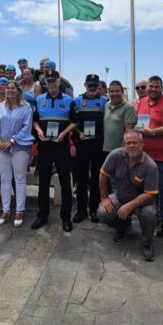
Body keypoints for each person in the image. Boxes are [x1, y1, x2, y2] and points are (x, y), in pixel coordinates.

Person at [97, 131, 158, 262]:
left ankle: (147, 244)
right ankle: (123, 227)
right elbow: (103, 175)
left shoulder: (150, 166)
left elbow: (150, 194)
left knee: (150, 214)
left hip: (143, 204)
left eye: (135, 142)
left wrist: (130, 206)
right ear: (124, 144)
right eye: (128, 143)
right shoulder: (115, 155)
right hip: (120, 197)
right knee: (102, 212)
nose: (131, 146)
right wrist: (104, 197)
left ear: (142, 144)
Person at [135, 76, 163, 237]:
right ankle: (152, 218)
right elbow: (138, 124)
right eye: (151, 86)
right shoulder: (142, 102)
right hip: (145, 155)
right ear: (147, 87)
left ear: (162, 88)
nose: (153, 89)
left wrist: (154, 132)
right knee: (148, 189)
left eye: (157, 87)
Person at [32, 70, 77, 231]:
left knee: (65, 182)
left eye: (54, 81)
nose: (51, 84)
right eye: (48, 81)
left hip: (61, 146)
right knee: (43, 182)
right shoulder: (39, 99)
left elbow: (75, 122)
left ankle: (66, 217)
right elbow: (35, 121)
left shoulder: (68, 100)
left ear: (59, 82)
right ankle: (42, 215)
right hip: (44, 146)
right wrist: (38, 131)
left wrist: (64, 134)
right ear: (45, 83)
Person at [0, 81, 34, 227]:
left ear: (18, 90)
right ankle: (5, 210)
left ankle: (19, 210)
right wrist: (0, 142)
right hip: (1, 148)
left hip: (20, 147)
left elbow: (26, 128)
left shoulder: (26, 108)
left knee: (20, 179)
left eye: (13, 88)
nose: (10, 90)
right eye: (8, 88)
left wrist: (11, 142)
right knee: (5, 179)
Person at [73, 74, 109, 224]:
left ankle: (94, 209)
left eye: (95, 85)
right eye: (90, 85)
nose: (93, 88)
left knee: (96, 178)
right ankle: (81, 210)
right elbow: (72, 122)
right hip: (82, 144)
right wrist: (78, 133)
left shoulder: (105, 101)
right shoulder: (77, 101)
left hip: (98, 145)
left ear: (98, 85)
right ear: (85, 85)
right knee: (81, 178)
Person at [103, 80, 137, 154]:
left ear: (122, 92)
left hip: (120, 151)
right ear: (109, 93)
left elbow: (128, 132)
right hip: (106, 149)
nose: (114, 94)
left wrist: (121, 151)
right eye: (112, 91)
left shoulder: (128, 108)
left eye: (117, 91)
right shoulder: (106, 105)